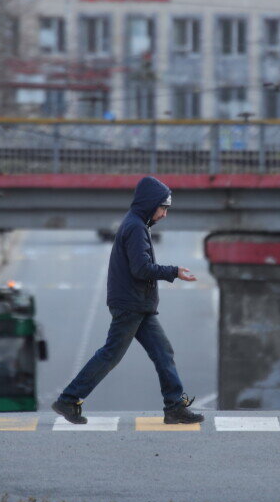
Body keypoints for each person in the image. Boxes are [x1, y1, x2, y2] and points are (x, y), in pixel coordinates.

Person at [51, 176, 204, 425]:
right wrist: (173, 271)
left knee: (163, 353)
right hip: (131, 304)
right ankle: (69, 399)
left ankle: (174, 407)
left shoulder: (137, 224)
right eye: (163, 207)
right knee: (111, 354)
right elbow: (141, 269)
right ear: (150, 203)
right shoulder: (135, 227)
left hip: (138, 304)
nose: (165, 214)